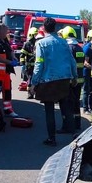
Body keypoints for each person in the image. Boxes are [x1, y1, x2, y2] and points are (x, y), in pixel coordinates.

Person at [31, 17, 78, 146]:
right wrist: (74, 77)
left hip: (48, 80)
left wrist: (34, 83)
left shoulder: (41, 43)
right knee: (66, 108)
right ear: (55, 28)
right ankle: (74, 135)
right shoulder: (64, 43)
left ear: (44, 28)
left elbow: (39, 64)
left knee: (49, 110)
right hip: (64, 79)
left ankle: (52, 138)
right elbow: (71, 61)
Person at [59, 26, 85, 131]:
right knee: (76, 103)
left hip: (69, 81)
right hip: (79, 81)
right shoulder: (79, 48)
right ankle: (77, 124)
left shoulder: (66, 48)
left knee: (66, 104)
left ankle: (67, 126)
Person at [20, 26, 39, 98]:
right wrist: (22, 64)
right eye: (35, 34)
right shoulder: (27, 44)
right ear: (31, 35)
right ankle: (30, 93)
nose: (36, 36)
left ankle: (36, 93)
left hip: (37, 66)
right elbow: (22, 55)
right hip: (29, 66)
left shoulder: (38, 43)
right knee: (30, 80)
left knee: (37, 79)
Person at [81, 29, 92, 114]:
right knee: (86, 90)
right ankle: (85, 108)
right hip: (86, 72)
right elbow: (85, 62)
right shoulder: (87, 48)